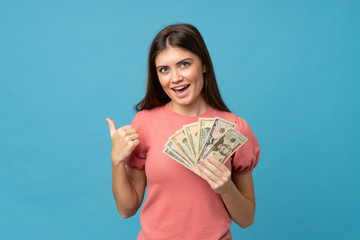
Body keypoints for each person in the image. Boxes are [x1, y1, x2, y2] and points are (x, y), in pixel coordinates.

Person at [105, 23, 260, 240]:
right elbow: (126, 209)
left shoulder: (234, 129)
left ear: (204, 64)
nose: (175, 78)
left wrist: (226, 188)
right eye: (164, 69)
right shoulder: (144, 123)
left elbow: (247, 219)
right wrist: (116, 161)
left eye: (184, 64)